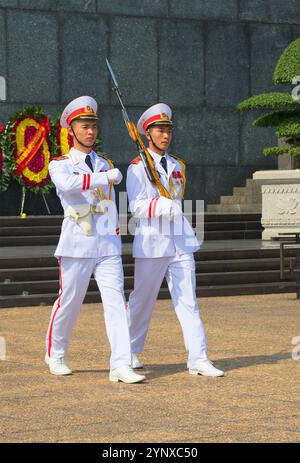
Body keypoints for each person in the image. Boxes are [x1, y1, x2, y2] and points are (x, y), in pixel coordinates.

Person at [45, 96, 145, 383]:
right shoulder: (60, 164)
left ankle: (121, 364)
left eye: (93, 126)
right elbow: (68, 185)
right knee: (70, 301)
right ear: (72, 129)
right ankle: (56, 352)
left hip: (107, 245)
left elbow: (108, 204)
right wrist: (104, 178)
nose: (90, 131)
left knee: (115, 302)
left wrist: (115, 231)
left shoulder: (104, 163)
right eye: (84, 126)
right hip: (77, 243)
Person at [126, 103, 224, 377]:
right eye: (159, 130)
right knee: (142, 300)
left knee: (188, 300)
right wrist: (164, 206)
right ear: (147, 133)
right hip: (152, 241)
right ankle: (130, 352)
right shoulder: (137, 167)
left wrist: (172, 206)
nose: (165, 135)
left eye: (168, 129)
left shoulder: (177, 164)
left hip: (180, 241)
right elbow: (136, 207)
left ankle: (198, 358)